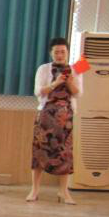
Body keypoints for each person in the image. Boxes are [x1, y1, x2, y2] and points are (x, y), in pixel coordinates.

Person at [30, 36, 83, 204]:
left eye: (63, 52)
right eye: (56, 52)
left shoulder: (75, 69)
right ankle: (34, 190)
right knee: (39, 152)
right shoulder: (43, 69)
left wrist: (69, 83)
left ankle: (63, 192)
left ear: (67, 52)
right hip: (46, 115)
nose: (60, 55)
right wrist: (56, 82)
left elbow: (78, 93)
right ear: (51, 53)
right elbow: (38, 91)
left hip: (66, 118)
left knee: (64, 153)